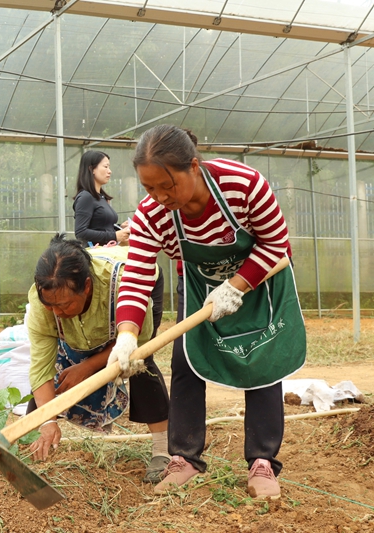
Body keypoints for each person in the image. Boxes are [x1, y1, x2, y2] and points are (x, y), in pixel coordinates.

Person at [113, 125, 306, 499]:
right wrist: (126, 334)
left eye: (168, 186)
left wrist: (236, 286)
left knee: (260, 359)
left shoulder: (243, 184)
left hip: (261, 274)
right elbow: (137, 274)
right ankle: (184, 458)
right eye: (149, 188)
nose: (160, 196)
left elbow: (276, 242)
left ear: (194, 167)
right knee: (186, 362)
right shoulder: (153, 214)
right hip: (200, 284)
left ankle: (262, 461)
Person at [25, 235, 171, 484]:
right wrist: (48, 419)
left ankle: (163, 449)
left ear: (88, 287)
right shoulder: (45, 303)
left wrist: (89, 367)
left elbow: (138, 344)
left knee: (138, 365)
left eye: (64, 305)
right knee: (59, 368)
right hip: (99, 303)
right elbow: (41, 368)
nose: (57, 312)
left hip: (141, 285)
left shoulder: (125, 285)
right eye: (50, 306)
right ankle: (36, 440)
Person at [73, 150, 129, 246]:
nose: (109, 171)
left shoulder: (101, 197)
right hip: (97, 256)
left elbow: (98, 226)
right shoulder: (86, 197)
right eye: (105, 167)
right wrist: (114, 236)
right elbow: (81, 232)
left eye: (109, 167)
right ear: (92, 169)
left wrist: (119, 227)